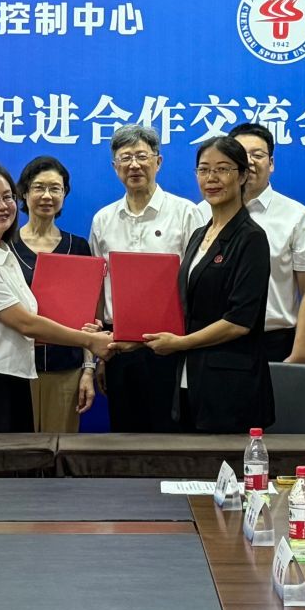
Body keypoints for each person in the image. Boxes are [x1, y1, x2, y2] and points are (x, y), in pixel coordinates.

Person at [0, 161, 107, 432]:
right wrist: (89, 340)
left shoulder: (4, 255)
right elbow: (25, 323)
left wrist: (83, 337)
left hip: (16, 380)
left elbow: (30, 325)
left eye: (7, 197)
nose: (2, 206)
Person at [148, 135, 271, 432]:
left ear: (242, 175)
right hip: (191, 377)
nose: (211, 178)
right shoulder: (200, 234)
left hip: (231, 384)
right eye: (204, 170)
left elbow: (240, 321)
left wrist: (180, 343)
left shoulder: (251, 237)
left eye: (223, 169)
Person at [87, 124, 196, 431]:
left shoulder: (186, 213)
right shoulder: (103, 219)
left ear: (158, 161)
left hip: (171, 344)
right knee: (125, 434)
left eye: (141, 156)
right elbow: (97, 288)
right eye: (125, 158)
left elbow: (197, 282)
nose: (134, 165)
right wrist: (100, 358)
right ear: (115, 167)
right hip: (118, 345)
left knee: (171, 433)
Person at [211, 122, 305, 366]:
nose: (250, 162)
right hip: (214, 340)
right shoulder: (203, 213)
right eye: (242, 154)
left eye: (258, 155)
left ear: (271, 163)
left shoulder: (295, 215)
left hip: (274, 342)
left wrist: (300, 352)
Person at [7, 155, 95, 433]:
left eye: (55, 188)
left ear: (64, 194)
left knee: (61, 448)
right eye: (39, 187)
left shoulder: (78, 247)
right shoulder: (4, 246)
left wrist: (88, 369)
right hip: (14, 369)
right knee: (16, 449)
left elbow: (87, 315)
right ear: (23, 192)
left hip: (65, 370)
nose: (47, 196)